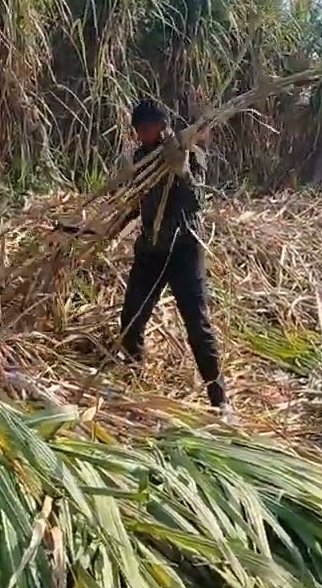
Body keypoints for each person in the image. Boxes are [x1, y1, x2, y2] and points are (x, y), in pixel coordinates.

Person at [62, 98, 231, 416]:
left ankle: (219, 399)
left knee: (197, 326)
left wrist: (181, 172)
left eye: (146, 128)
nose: (141, 134)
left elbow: (196, 203)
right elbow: (133, 205)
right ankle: (134, 377)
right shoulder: (138, 159)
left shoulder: (189, 153)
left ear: (162, 125)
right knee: (131, 320)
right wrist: (99, 230)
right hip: (150, 250)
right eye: (137, 129)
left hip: (183, 250)